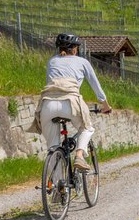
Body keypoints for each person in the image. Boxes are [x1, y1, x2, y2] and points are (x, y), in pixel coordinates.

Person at [29, 33, 111, 171]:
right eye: (76, 47)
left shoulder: (51, 61)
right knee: (87, 127)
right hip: (70, 102)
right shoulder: (83, 62)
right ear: (74, 49)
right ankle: (79, 156)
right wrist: (105, 106)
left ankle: (57, 188)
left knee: (53, 148)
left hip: (47, 104)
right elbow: (96, 86)